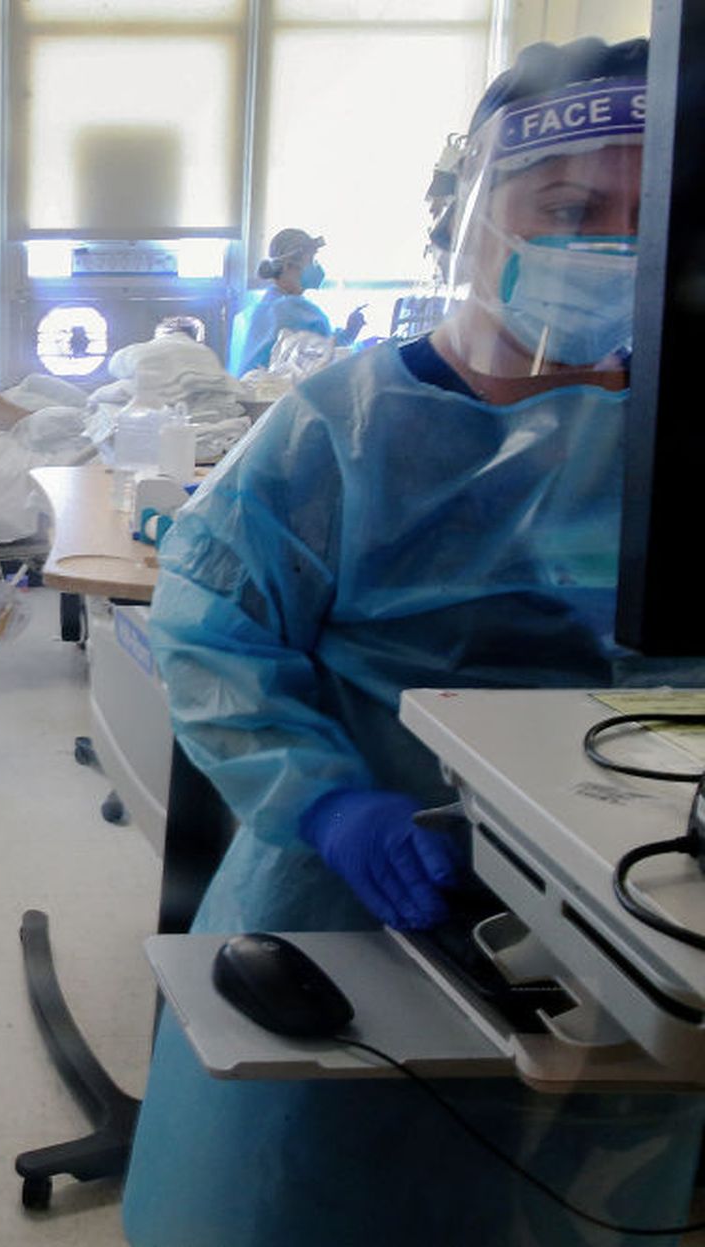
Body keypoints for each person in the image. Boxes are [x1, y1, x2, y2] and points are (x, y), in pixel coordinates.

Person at [124, 39, 705, 1246]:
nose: (608, 245)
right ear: (467, 217)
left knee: (568, 1195)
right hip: (350, 892)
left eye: (648, 219)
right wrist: (331, 802)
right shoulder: (344, 429)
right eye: (568, 208)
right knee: (319, 1193)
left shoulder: (672, 446)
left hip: (627, 919)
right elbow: (212, 628)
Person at [227, 227, 367, 375]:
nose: (317, 267)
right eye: (312, 260)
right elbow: (326, 363)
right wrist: (354, 341)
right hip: (284, 395)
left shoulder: (257, 311)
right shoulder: (295, 311)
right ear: (289, 265)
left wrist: (348, 334)